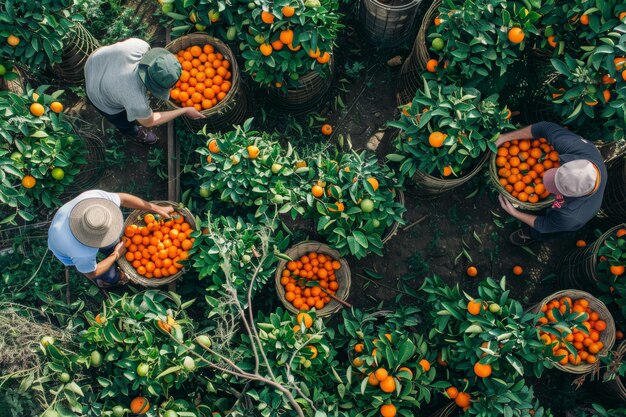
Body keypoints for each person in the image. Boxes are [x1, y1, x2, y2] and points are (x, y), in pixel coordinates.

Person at [496, 122, 607, 245]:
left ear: (570, 195)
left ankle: (532, 235)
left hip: (565, 220)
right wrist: (504, 138)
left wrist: (514, 213)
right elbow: (543, 128)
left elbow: (544, 224)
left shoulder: (572, 217)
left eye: (557, 188)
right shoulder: (582, 150)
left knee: (548, 231)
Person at [84, 38, 205, 145]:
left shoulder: (139, 45)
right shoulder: (135, 99)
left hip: (95, 61)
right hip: (97, 93)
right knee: (122, 120)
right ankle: (133, 132)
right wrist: (184, 110)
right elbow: (149, 121)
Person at [47, 190, 174, 287]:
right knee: (107, 275)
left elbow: (123, 199)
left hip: (62, 225)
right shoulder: (82, 253)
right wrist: (116, 254)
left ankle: (111, 252)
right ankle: (111, 280)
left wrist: (155, 208)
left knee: (115, 243)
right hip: (61, 246)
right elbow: (92, 272)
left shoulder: (94, 199)